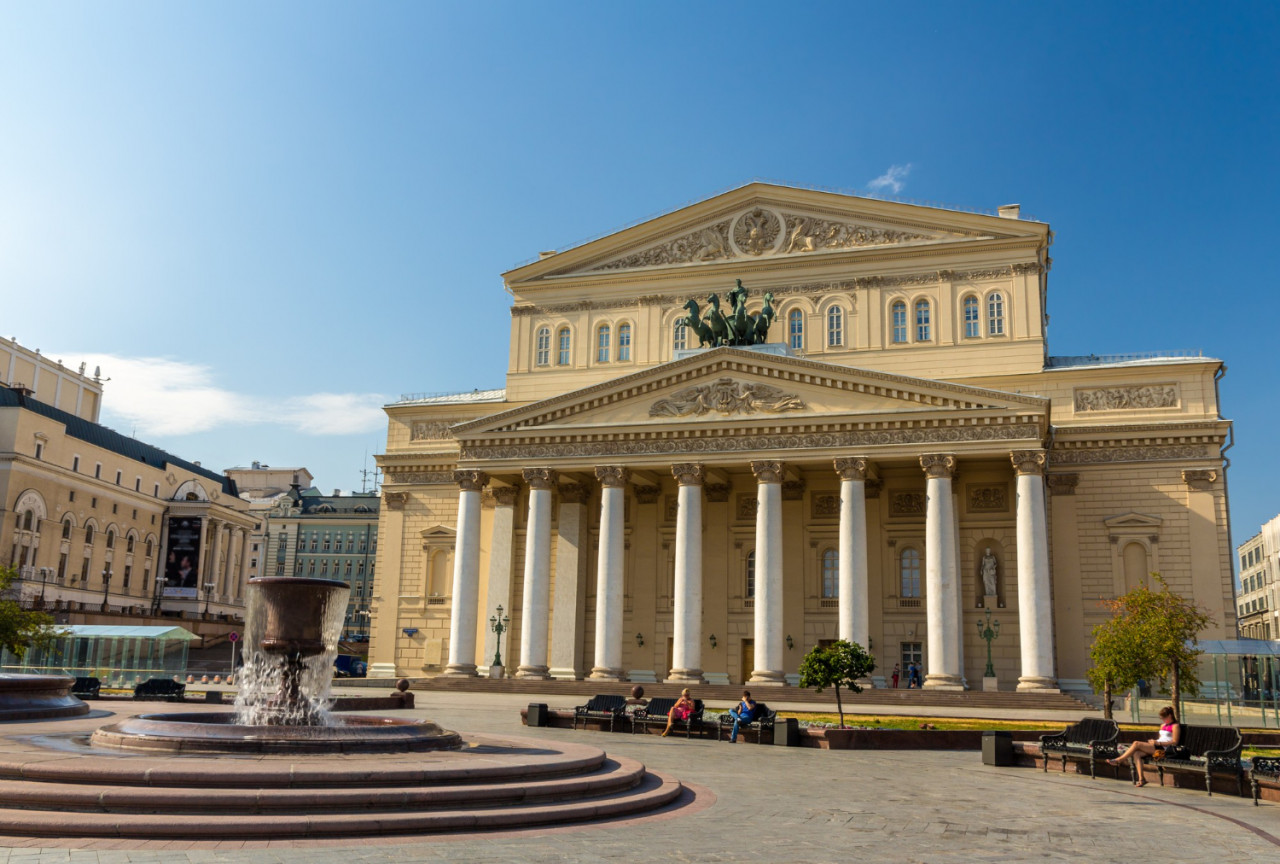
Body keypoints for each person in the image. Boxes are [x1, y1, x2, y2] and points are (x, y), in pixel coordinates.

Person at [1107, 706, 1183, 787]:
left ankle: (1119, 760)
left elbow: (1175, 742)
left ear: (1170, 716)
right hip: (1156, 746)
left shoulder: (1175, 726)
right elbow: (1161, 738)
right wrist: (1154, 742)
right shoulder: (1163, 725)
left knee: (1136, 743)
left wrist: (1159, 743)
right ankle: (1141, 779)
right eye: (1162, 718)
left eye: (1164, 718)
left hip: (1164, 750)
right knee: (1136, 753)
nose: (1163, 720)